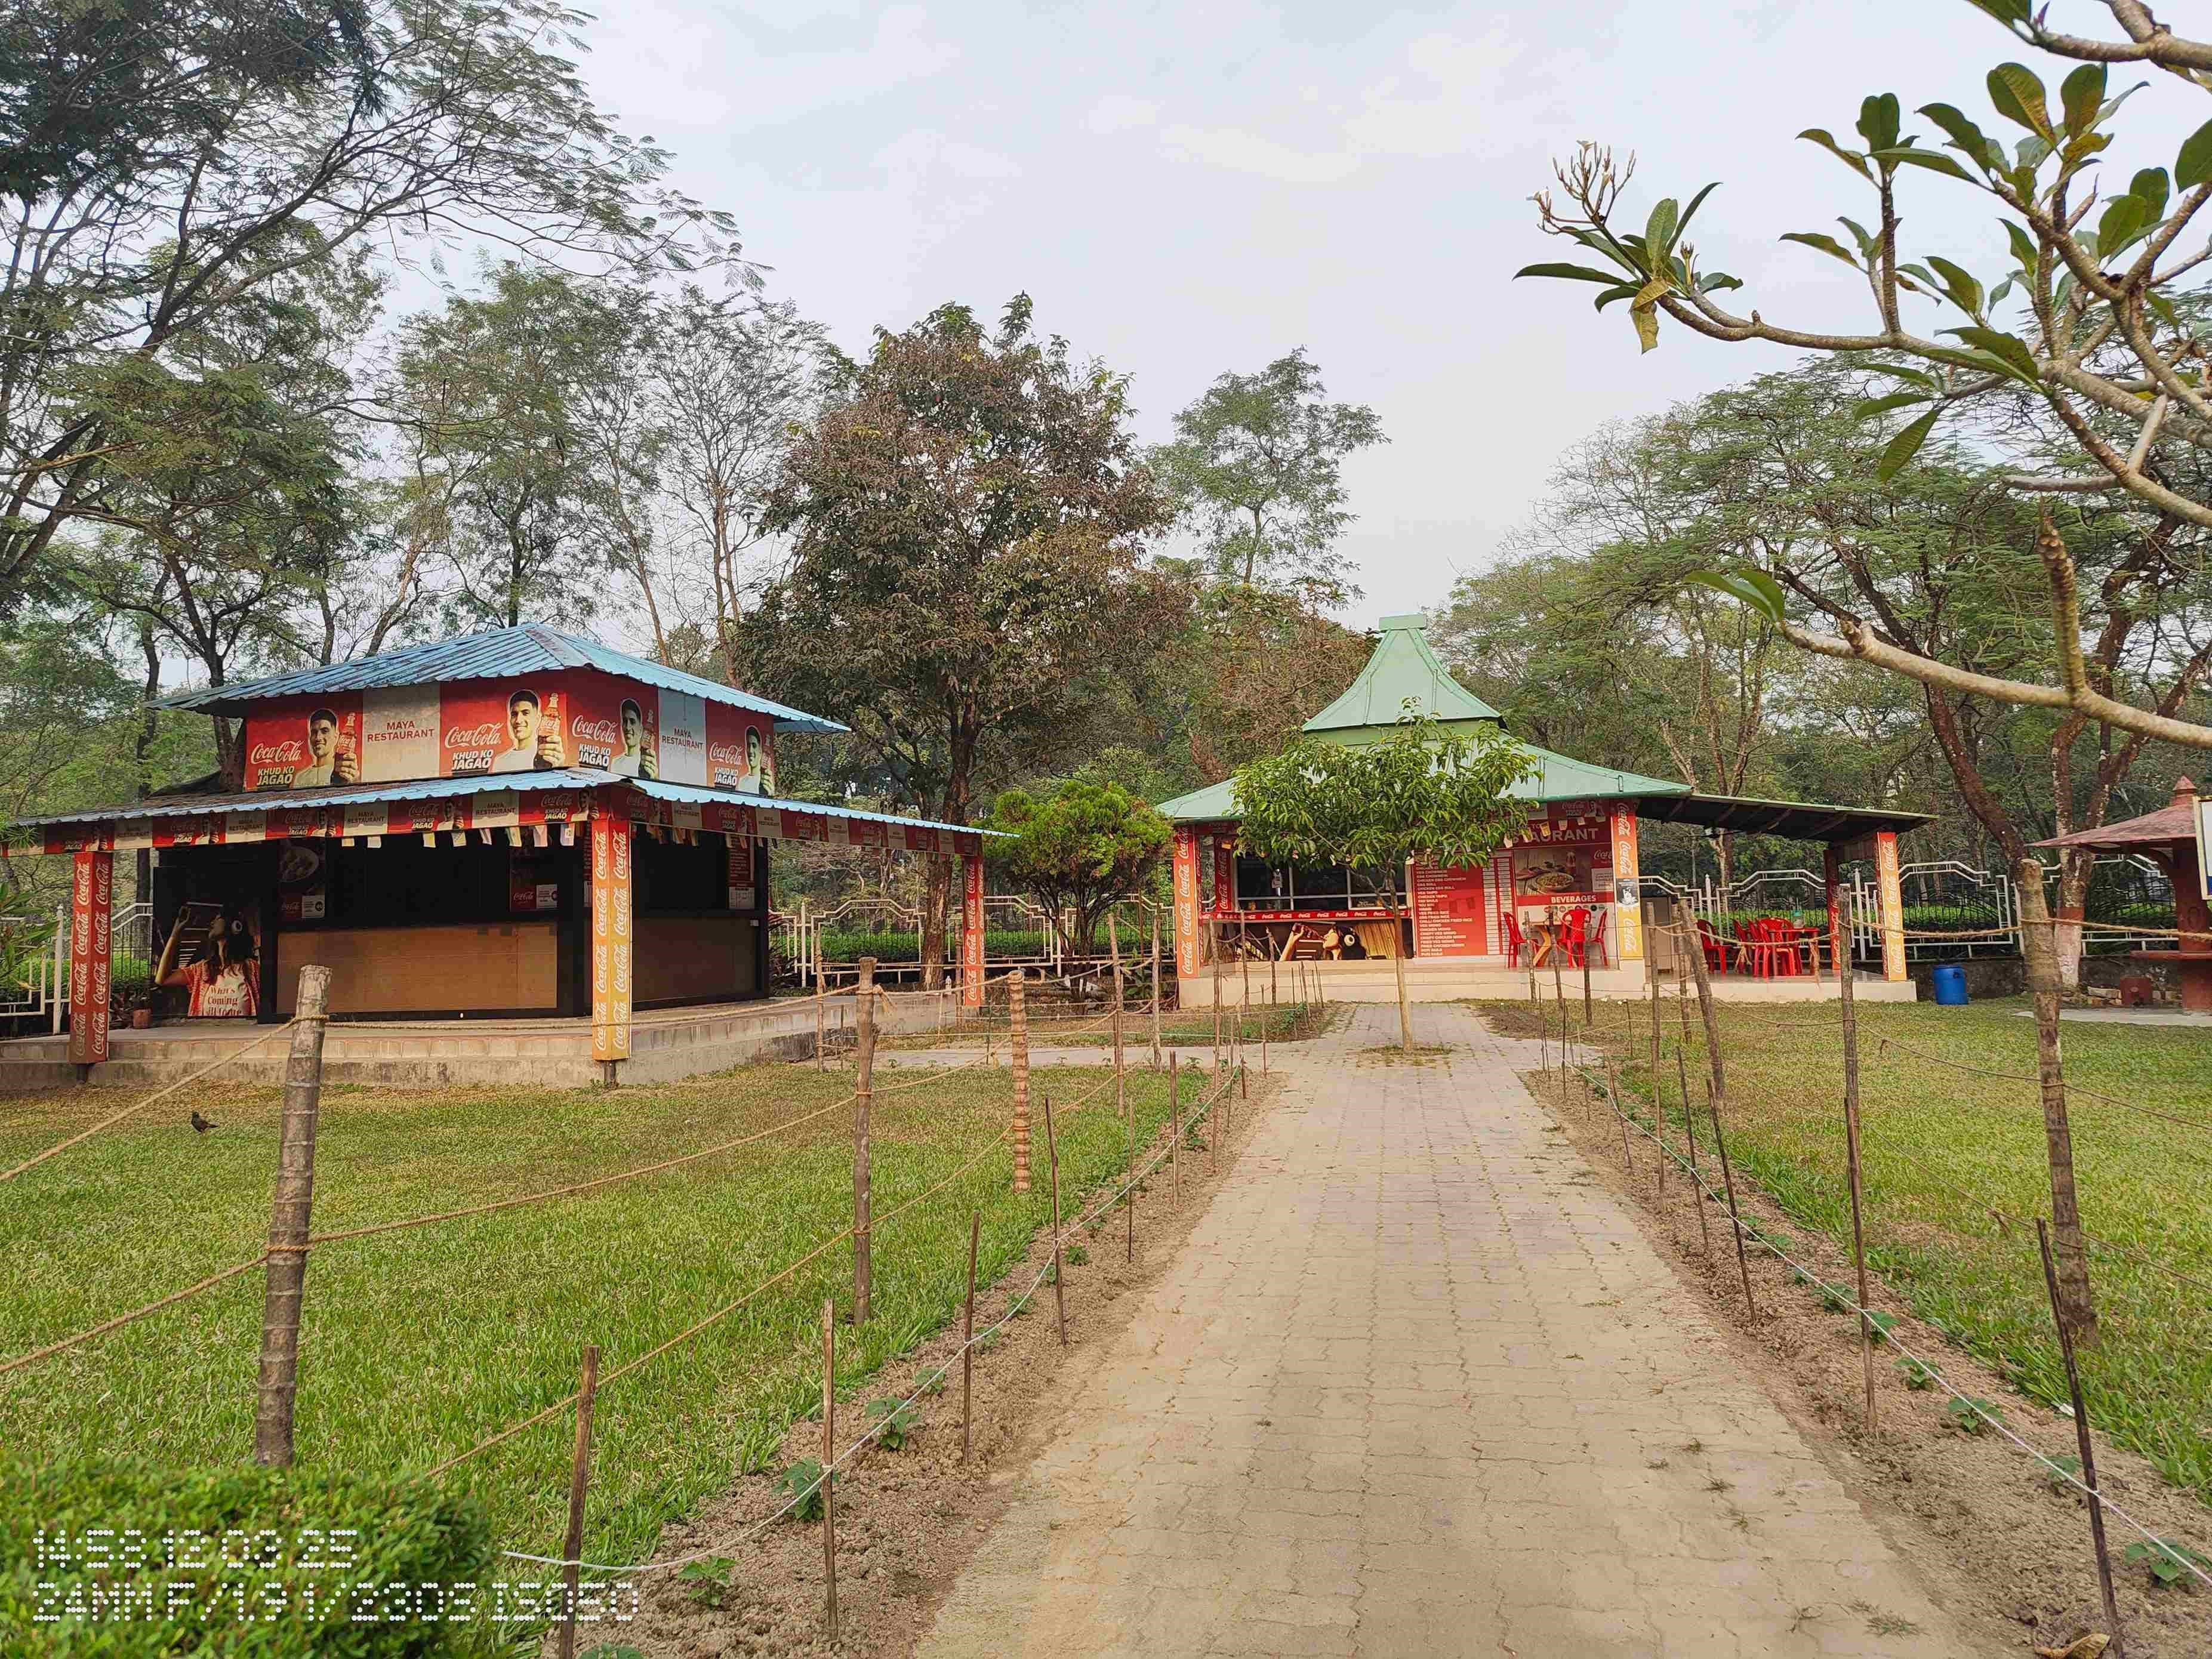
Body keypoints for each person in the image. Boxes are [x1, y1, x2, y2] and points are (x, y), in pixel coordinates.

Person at [156, 906, 260, 1018]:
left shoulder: (251, 969)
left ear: (235, 925)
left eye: (218, 918)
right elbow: (162, 979)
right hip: (207, 1033)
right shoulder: (202, 970)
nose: (212, 922)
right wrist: (176, 933)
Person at [491, 689, 565, 772]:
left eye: (525, 713)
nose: (518, 720)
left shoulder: (546, 753)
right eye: (514, 715)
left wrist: (559, 767)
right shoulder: (500, 761)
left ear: (538, 719)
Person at [293, 708, 357, 787]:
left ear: (336, 737)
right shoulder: (300, 777)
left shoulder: (343, 770)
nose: (318, 738)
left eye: (325, 731)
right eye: (314, 733)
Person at [609, 698, 658, 778]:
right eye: (625, 721)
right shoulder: (615, 762)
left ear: (641, 729)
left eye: (632, 721)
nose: (628, 727)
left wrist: (656, 779)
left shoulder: (647, 762)